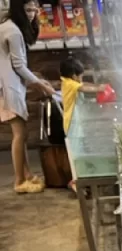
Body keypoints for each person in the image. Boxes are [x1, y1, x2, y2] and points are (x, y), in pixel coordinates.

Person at [0, 0, 55, 193]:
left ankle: (27, 175)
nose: (32, 13)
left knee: (21, 134)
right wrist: (39, 84)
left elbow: (18, 65)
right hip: (7, 88)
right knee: (19, 134)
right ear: (18, 9)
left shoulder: (9, 26)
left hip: (10, 85)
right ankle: (18, 181)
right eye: (28, 9)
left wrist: (38, 80)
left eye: (34, 9)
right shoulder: (13, 31)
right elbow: (18, 65)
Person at [60, 55, 105, 134]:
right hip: (72, 123)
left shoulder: (69, 81)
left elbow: (83, 84)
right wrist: (99, 89)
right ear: (74, 76)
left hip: (75, 119)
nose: (82, 79)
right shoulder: (69, 84)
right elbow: (83, 88)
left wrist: (97, 85)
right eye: (81, 76)